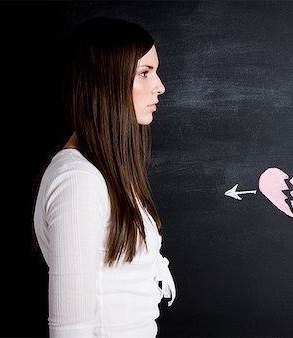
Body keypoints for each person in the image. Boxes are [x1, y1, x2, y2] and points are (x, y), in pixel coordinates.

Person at [32, 17, 175, 338]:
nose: (160, 86)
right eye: (144, 73)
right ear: (106, 81)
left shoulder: (103, 174)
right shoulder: (77, 181)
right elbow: (70, 329)